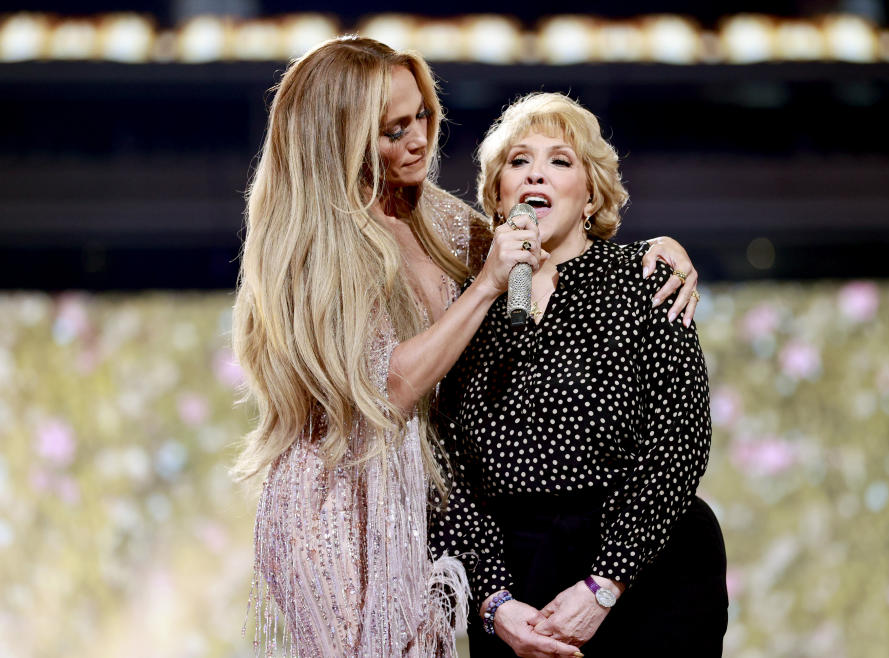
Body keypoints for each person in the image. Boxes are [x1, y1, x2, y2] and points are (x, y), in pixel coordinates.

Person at [231, 36, 703, 657]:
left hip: (424, 496)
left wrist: (662, 248)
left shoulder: (440, 218)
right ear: (339, 138)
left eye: (422, 114)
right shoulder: (313, 247)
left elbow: (548, 230)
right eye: (392, 130)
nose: (419, 141)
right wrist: (485, 287)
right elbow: (387, 392)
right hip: (345, 500)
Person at [430, 92, 728, 658]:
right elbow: (444, 464)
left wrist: (605, 584)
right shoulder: (466, 306)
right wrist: (494, 602)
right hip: (518, 592)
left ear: (591, 193)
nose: (535, 173)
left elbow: (680, 443)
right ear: (498, 195)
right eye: (518, 162)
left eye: (559, 161)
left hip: (644, 573)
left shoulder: (644, 277)